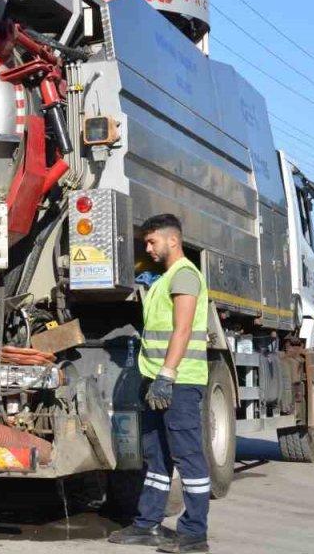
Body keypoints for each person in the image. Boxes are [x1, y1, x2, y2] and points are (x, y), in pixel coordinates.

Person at [109, 214, 212, 553]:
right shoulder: (164, 279)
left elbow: (182, 329)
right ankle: (147, 524)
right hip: (157, 382)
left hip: (178, 382)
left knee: (188, 456)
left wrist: (167, 375)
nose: (148, 248)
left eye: (152, 242)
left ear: (173, 241)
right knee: (157, 457)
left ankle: (194, 533)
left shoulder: (184, 275)